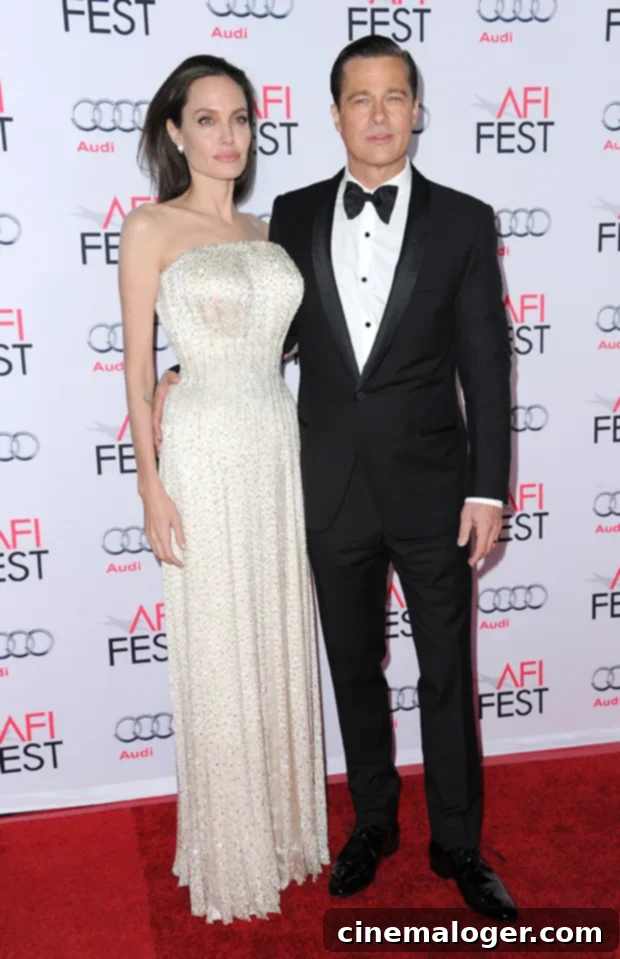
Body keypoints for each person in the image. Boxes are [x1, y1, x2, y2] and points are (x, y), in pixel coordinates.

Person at [155, 37, 517, 921]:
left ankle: (459, 843)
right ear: (335, 114)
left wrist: (488, 488)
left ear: (417, 109)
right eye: (362, 99)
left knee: (444, 674)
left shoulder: (466, 221)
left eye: (396, 97)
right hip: (326, 487)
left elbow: (488, 362)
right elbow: (275, 328)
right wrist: (185, 373)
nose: (381, 115)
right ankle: (373, 823)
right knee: (353, 668)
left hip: (436, 490)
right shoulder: (292, 213)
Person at [119, 54, 328, 924]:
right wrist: (150, 488)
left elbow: (269, 340)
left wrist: (182, 365)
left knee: (273, 624)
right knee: (216, 643)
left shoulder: (267, 232)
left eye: (239, 117)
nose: (227, 135)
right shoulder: (149, 227)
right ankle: (229, 839)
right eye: (206, 119)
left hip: (275, 444)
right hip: (200, 453)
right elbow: (134, 369)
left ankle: (280, 827)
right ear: (174, 131)